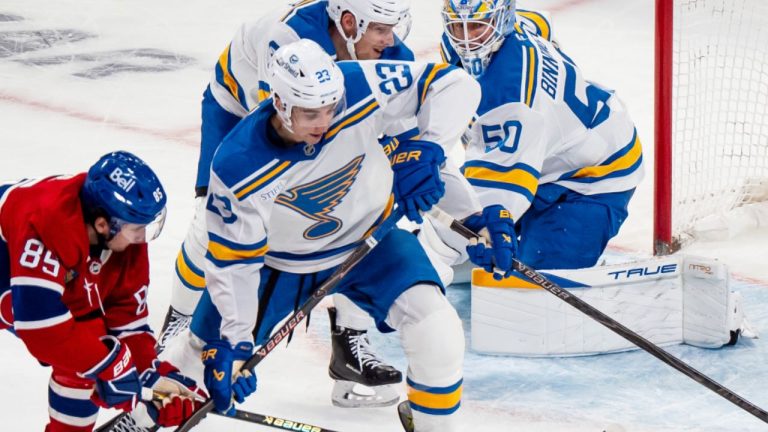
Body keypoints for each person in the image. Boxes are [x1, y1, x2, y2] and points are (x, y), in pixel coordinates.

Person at [159, 39, 510, 432]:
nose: (325, 121)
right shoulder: (238, 164)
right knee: (196, 362)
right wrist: (234, 342)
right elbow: (235, 264)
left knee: (438, 332)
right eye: (311, 113)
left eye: (331, 108)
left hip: (373, 241)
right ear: (280, 102)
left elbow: (455, 85)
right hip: (281, 265)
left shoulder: (357, 84)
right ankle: (139, 419)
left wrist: (438, 161)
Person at [163, 0, 417, 407]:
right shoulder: (289, 43)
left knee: (361, 217)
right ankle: (179, 323)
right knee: (211, 224)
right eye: (380, 28)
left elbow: (403, 128)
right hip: (240, 112)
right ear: (349, 22)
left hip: (316, 120)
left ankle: (350, 340)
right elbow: (280, 134)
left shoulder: (387, 51)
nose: (389, 41)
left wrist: (411, 159)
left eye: (391, 28)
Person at [421, 0, 644, 282]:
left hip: (592, 175)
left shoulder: (511, 95)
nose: (467, 40)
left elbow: (500, 192)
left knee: (533, 289)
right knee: (458, 210)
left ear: (501, 19)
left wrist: (488, 228)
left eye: (476, 26)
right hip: (544, 152)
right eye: (457, 26)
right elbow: (541, 22)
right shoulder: (507, 27)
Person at [0, 151, 206, 431]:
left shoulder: (120, 233)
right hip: (9, 273)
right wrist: (113, 368)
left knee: (92, 351)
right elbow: (42, 329)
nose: (142, 238)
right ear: (102, 225)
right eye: (138, 228)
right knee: (88, 352)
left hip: (29, 282)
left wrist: (151, 374)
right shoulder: (48, 221)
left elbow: (127, 323)